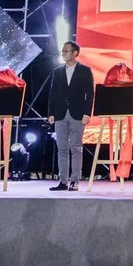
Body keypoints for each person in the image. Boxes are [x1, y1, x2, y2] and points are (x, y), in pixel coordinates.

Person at [47, 41, 94, 191]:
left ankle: (74, 180)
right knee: (62, 148)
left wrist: (87, 113)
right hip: (60, 113)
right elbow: (53, 93)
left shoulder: (85, 70)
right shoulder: (58, 71)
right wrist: (51, 113)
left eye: (66, 51)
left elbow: (90, 93)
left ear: (75, 53)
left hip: (78, 113)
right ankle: (62, 181)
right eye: (62, 51)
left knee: (76, 148)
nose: (63, 54)